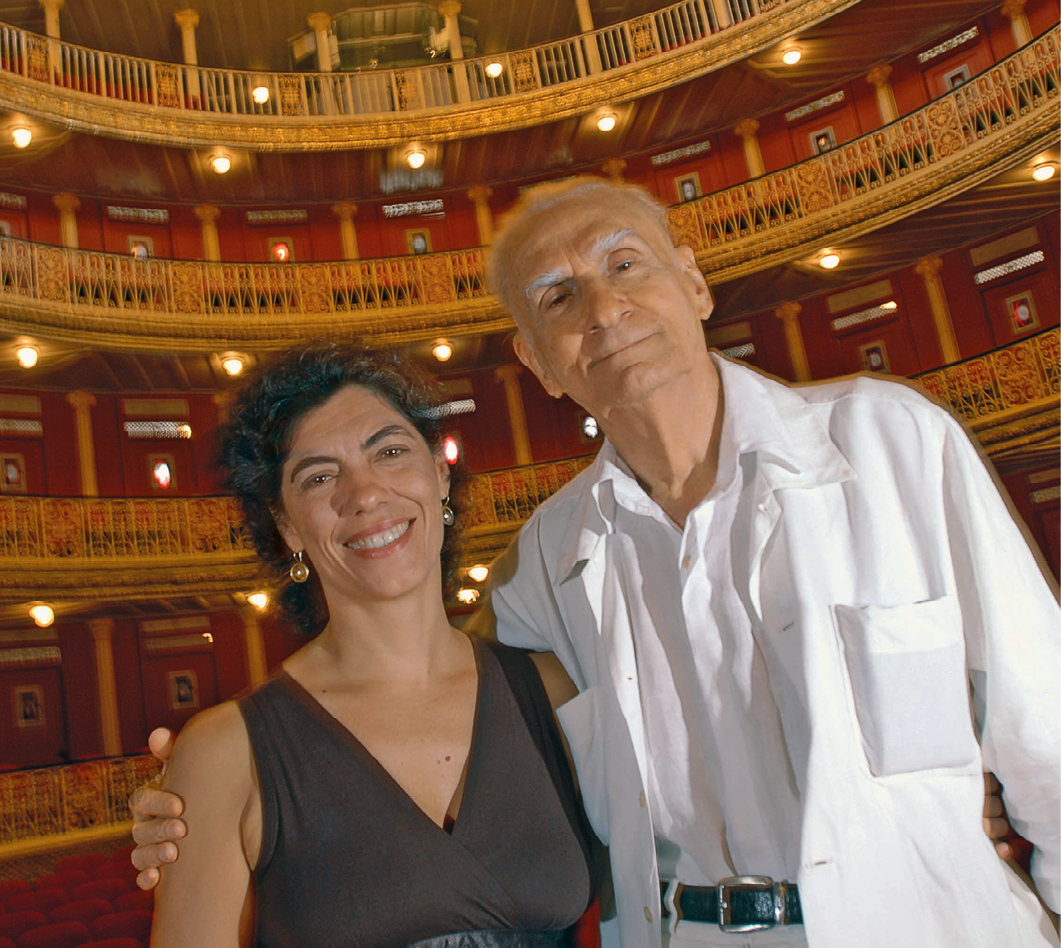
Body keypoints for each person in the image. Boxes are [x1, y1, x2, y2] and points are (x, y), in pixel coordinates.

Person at [133, 179, 1058, 948]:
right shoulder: (550, 554)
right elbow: (417, 676)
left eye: (625, 264)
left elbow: (1044, 726)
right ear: (538, 362)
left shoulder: (891, 440)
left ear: (693, 283)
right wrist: (200, 795)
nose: (604, 309)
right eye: (557, 298)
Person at [146, 346, 595, 948]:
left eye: (389, 451)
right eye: (320, 476)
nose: (365, 494)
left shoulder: (556, 691)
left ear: (440, 472)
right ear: (285, 525)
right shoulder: (223, 751)